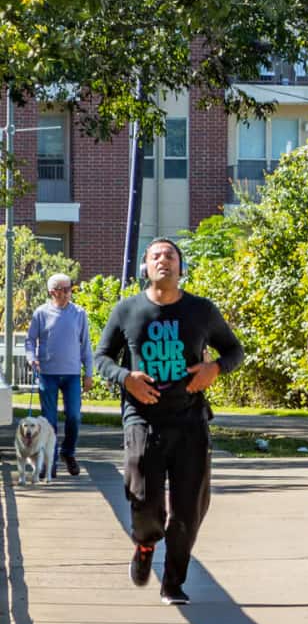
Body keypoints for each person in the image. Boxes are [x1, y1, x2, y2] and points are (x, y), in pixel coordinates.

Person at [94, 238, 243, 605]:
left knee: (189, 507)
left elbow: (235, 351)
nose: (164, 260)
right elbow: (101, 358)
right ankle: (145, 544)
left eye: (171, 256)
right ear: (145, 266)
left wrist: (214, 368)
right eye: (156, 256)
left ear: (181, 267)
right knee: (144, 500)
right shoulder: (127, 310)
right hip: (141, 419)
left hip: (189, 419)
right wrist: (125, 378)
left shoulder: (201, 311)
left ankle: (173, 583)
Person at [25, 273, 94, 477]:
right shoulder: (41, 313)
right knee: (50, 421)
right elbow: (30, 340)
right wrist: (31, 358)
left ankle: (68, 453)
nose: (66, 293)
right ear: (51, 292)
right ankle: (50, 461)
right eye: (62, 290)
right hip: (48, 373)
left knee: (74, 416)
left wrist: (88, 373)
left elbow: (86, 346)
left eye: (69, 289)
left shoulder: (79, 313)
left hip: (72, 373)